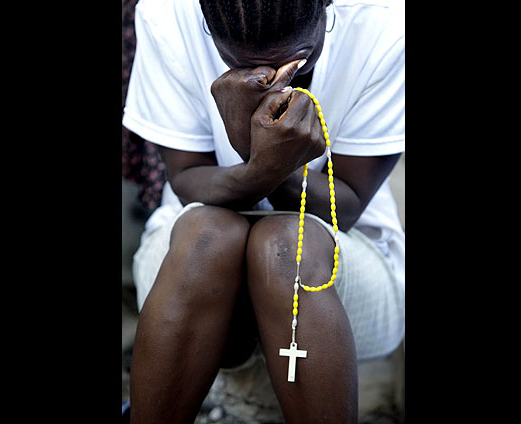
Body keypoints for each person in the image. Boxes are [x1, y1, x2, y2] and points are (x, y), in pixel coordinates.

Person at [122, 0, 405, 422]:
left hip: (347, 264)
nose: (273, 79)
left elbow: (344, 209)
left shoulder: (386, 25)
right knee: (208, 233)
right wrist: (258, 165)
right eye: (241, 64)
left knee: (285, 245)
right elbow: (186, 179)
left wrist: (264, 162)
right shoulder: (167, 15)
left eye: (298, 60)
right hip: (191, 265)